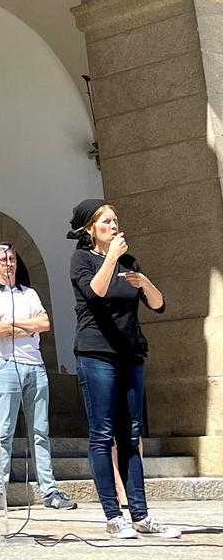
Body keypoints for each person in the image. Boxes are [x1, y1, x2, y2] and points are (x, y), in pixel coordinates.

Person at [67, 199, 180, 539]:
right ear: (91, 229)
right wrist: (112, 256)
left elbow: (158, 305)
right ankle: (114, 516)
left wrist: (144, 283)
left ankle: (142, 516)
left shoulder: (128, 261)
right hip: (96, 354)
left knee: (130, 437)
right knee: (102, 436)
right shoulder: (82, 259)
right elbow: (95, 291)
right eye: (106, 221)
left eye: (116, 220)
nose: (114, 226)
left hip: (130, 355)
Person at [0, 244, 76, 511]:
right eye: (3, 259)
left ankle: (49, 489)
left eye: (12, 259)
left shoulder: (29, 293)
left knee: (40, 430)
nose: (9, 263)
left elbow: (44, 325)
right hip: (5, 364)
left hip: (35, 365)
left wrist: (14, 325)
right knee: (4, 430)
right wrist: (27, 325)